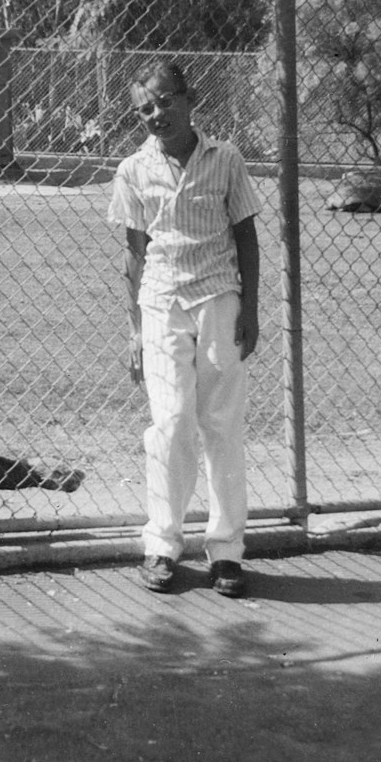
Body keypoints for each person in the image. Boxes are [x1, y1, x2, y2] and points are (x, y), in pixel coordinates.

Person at [107, 60, 261, 597]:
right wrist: (134, 330)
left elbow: (246, 236)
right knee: (170, 423)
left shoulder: (226, 160)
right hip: (162, 305)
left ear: (189, 98)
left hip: (219, 298)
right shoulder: (132, 170)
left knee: (221, 424)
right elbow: (134, 254)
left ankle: (226, 552)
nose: (156, 114)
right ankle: (162, 544)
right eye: (144, 108)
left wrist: (251, 308)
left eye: (164, 101)